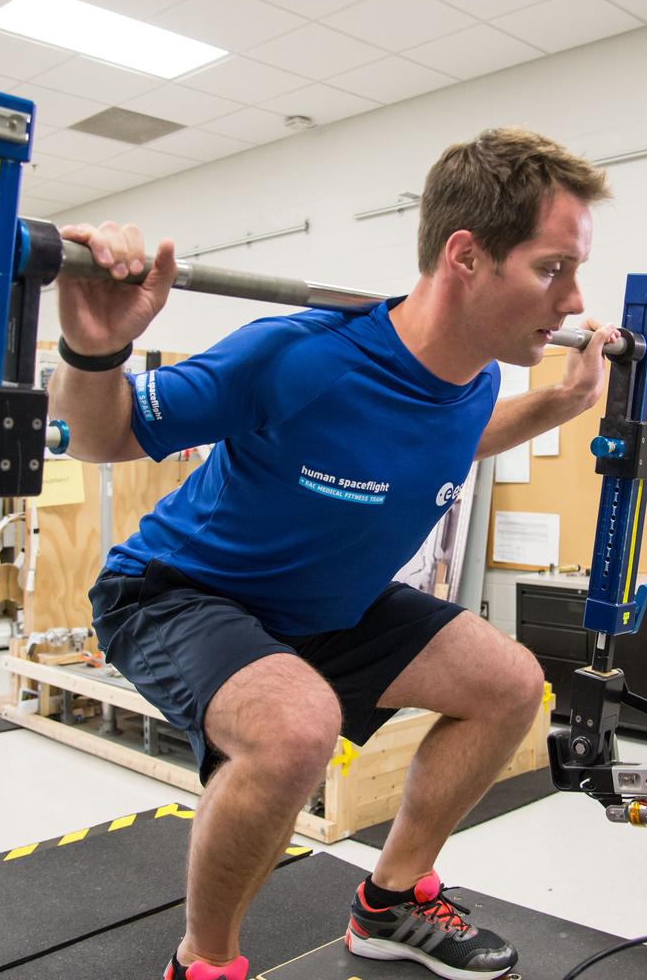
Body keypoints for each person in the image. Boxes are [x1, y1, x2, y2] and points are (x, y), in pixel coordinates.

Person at [48, 127, 617, 980]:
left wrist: (560, 407)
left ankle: (389, 904)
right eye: (551, 269)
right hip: (178, 591)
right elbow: (99, 434)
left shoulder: (476, 376)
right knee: (295, 731)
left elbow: (445, 441)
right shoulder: (299, 355)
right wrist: (95, 347)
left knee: (508, 686)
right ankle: (203, 964)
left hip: (326, 607)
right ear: (466, 256)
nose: (573, 302)